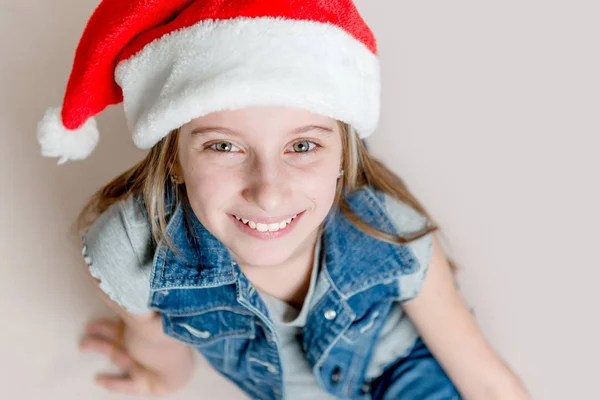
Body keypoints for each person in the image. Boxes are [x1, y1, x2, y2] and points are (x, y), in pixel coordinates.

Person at [37, 1, 530, 399]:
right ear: (173, 159)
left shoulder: (393, 237)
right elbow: (165, 355)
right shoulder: (131, 254)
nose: (268, 192)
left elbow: (487, 383)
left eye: (302, 146)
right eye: (224, 146)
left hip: (402, 377)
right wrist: (153, 374)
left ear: (343, 156)